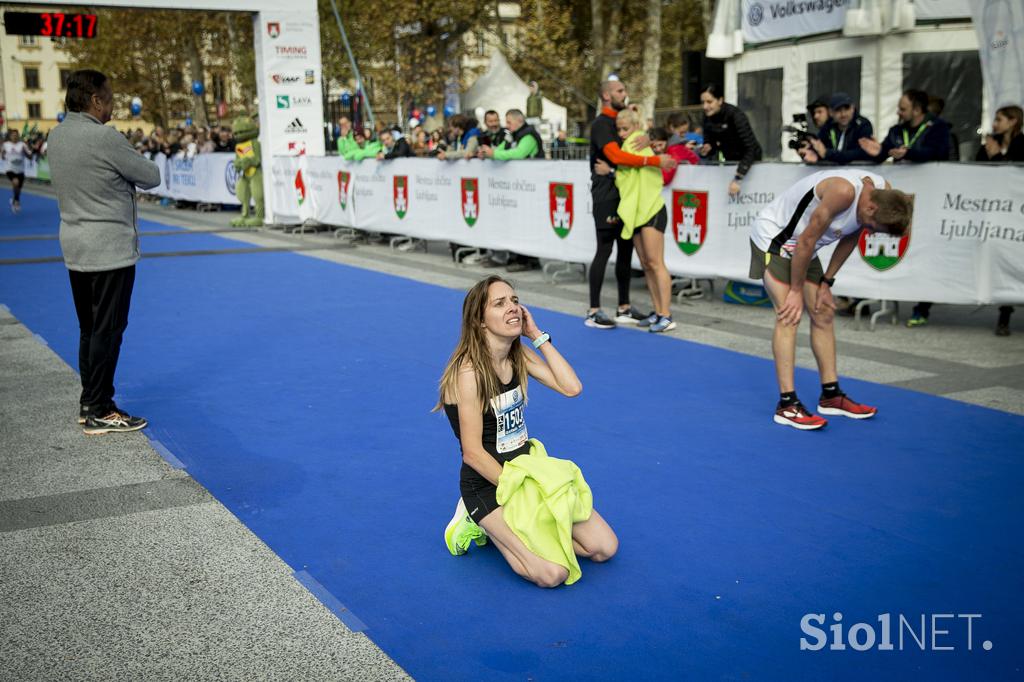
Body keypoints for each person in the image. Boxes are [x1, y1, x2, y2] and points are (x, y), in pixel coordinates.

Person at [436, 276, 617, 587]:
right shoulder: (469, 373)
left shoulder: (519, 353)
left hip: (528, 470)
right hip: (489, 484)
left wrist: (537, 335)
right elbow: (473, 453)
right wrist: (521, 492)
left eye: (515, 301)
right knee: (552, 574)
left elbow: (571, 388)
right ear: (480, 320)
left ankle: (521, 529)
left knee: (603, 548)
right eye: (500, 303)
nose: (513, 308)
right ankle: (475, 518)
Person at [749, 170, 913, 430]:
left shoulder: (882, 191)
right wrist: (795, 291)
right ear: (870, 207)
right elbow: (806, 240)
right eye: (871, 226)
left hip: (805, 245)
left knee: (823, 312)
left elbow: (852, 234)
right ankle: (787, 405)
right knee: (789, 314)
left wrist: (827, 281)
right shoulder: (843, 192)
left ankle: (831, 395)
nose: (869, 230)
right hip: (776, 237)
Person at [46, 69, 161, 435]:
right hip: (109, 247)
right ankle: (101, 407)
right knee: (108, 330)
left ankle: (88, 401)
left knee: (89, 327)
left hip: (75, 243)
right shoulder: (105, 138)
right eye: (110, 97)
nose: (113, 104)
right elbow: (150, 175)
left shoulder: (57, 136)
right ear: (95, 100)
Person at [586, 79, 677, 330]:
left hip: (635, 205)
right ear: (606, 95)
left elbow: (650, 144)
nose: (625, 94)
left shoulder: (629, 127)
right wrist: (655, 161)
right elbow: (616, 157)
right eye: (619, 91)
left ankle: (627, 308)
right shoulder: (602, 124)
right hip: (608, 197)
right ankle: (594, 310)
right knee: (605, 250)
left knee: (632, 255)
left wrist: (648, 141)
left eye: (626, 128)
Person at [612, 109, 676, 333]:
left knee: (656, 263)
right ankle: (657, 312)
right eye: (618, 129)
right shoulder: (630, 145)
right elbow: (625, 173)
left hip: (651, 210)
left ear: (636, 126)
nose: (621, 133)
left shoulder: (639, 143)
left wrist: (649, 142)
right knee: (647, 265)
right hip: (636, 212)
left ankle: (666, 315)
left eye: (625, 128)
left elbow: (670, 139)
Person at [976, 105, 1023, 336]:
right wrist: (989, 153)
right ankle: (1004, 313)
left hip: (1016, 210)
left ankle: (1008, 310)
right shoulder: (989, 142)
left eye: (1000, 119)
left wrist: (998, 156)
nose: (995, 124)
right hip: (995, 208)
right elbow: (978, 166)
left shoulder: (1021, 143)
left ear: (1013, 121)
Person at [698, 83, 762, 197]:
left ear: (720, 100)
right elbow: (711, 143)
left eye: (709, 102)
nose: (705, 107)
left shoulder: (736, 115)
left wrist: (738, 177)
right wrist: (707, 149)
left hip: (750, 162)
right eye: (703, 102)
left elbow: (751, 147)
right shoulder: (706, 117)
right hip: (730, 161)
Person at [800, 92, 874, 165]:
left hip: (860, 171)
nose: (843, 114)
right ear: (831, 112)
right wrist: (812, 153)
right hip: (834, 172)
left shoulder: (863, 125)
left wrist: (827, 153)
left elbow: (860, 153)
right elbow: (820, 145)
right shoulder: (829, 125)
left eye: (846, 108)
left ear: (853, 108)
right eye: (838, 110)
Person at [2, 129, 31, 213]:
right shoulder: (6, 145)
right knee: (15, 182)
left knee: (18, 188)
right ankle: (16, 203)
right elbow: (3, 155)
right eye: (13, 135)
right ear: (10, 136)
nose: (14, 136)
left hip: (20, 170)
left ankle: (15, 199)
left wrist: (27, 153)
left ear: (18, 135)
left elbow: (29, 156)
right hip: (10, 169)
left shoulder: (22, 145)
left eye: (16, 135)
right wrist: (3, 155)